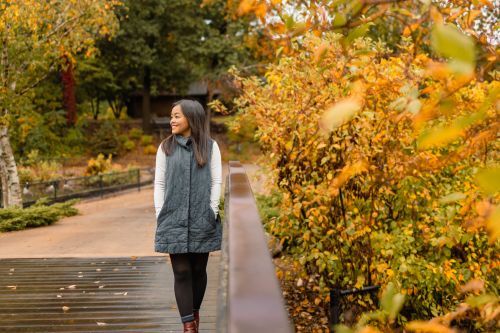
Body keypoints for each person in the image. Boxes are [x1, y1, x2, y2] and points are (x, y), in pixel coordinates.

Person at [153, 99, 222, 333]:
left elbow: (217, 181)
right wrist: (160, 212)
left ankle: (194, 314)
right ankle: (189, 327)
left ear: (191, 118)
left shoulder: (210, 147)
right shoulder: (165, 147)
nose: (171, 120)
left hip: (203, 216)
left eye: (176, 116)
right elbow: (159, 183)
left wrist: (213, 210)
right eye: (171, 116)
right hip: (172, 216)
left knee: (198, 270)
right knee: (181, 271)